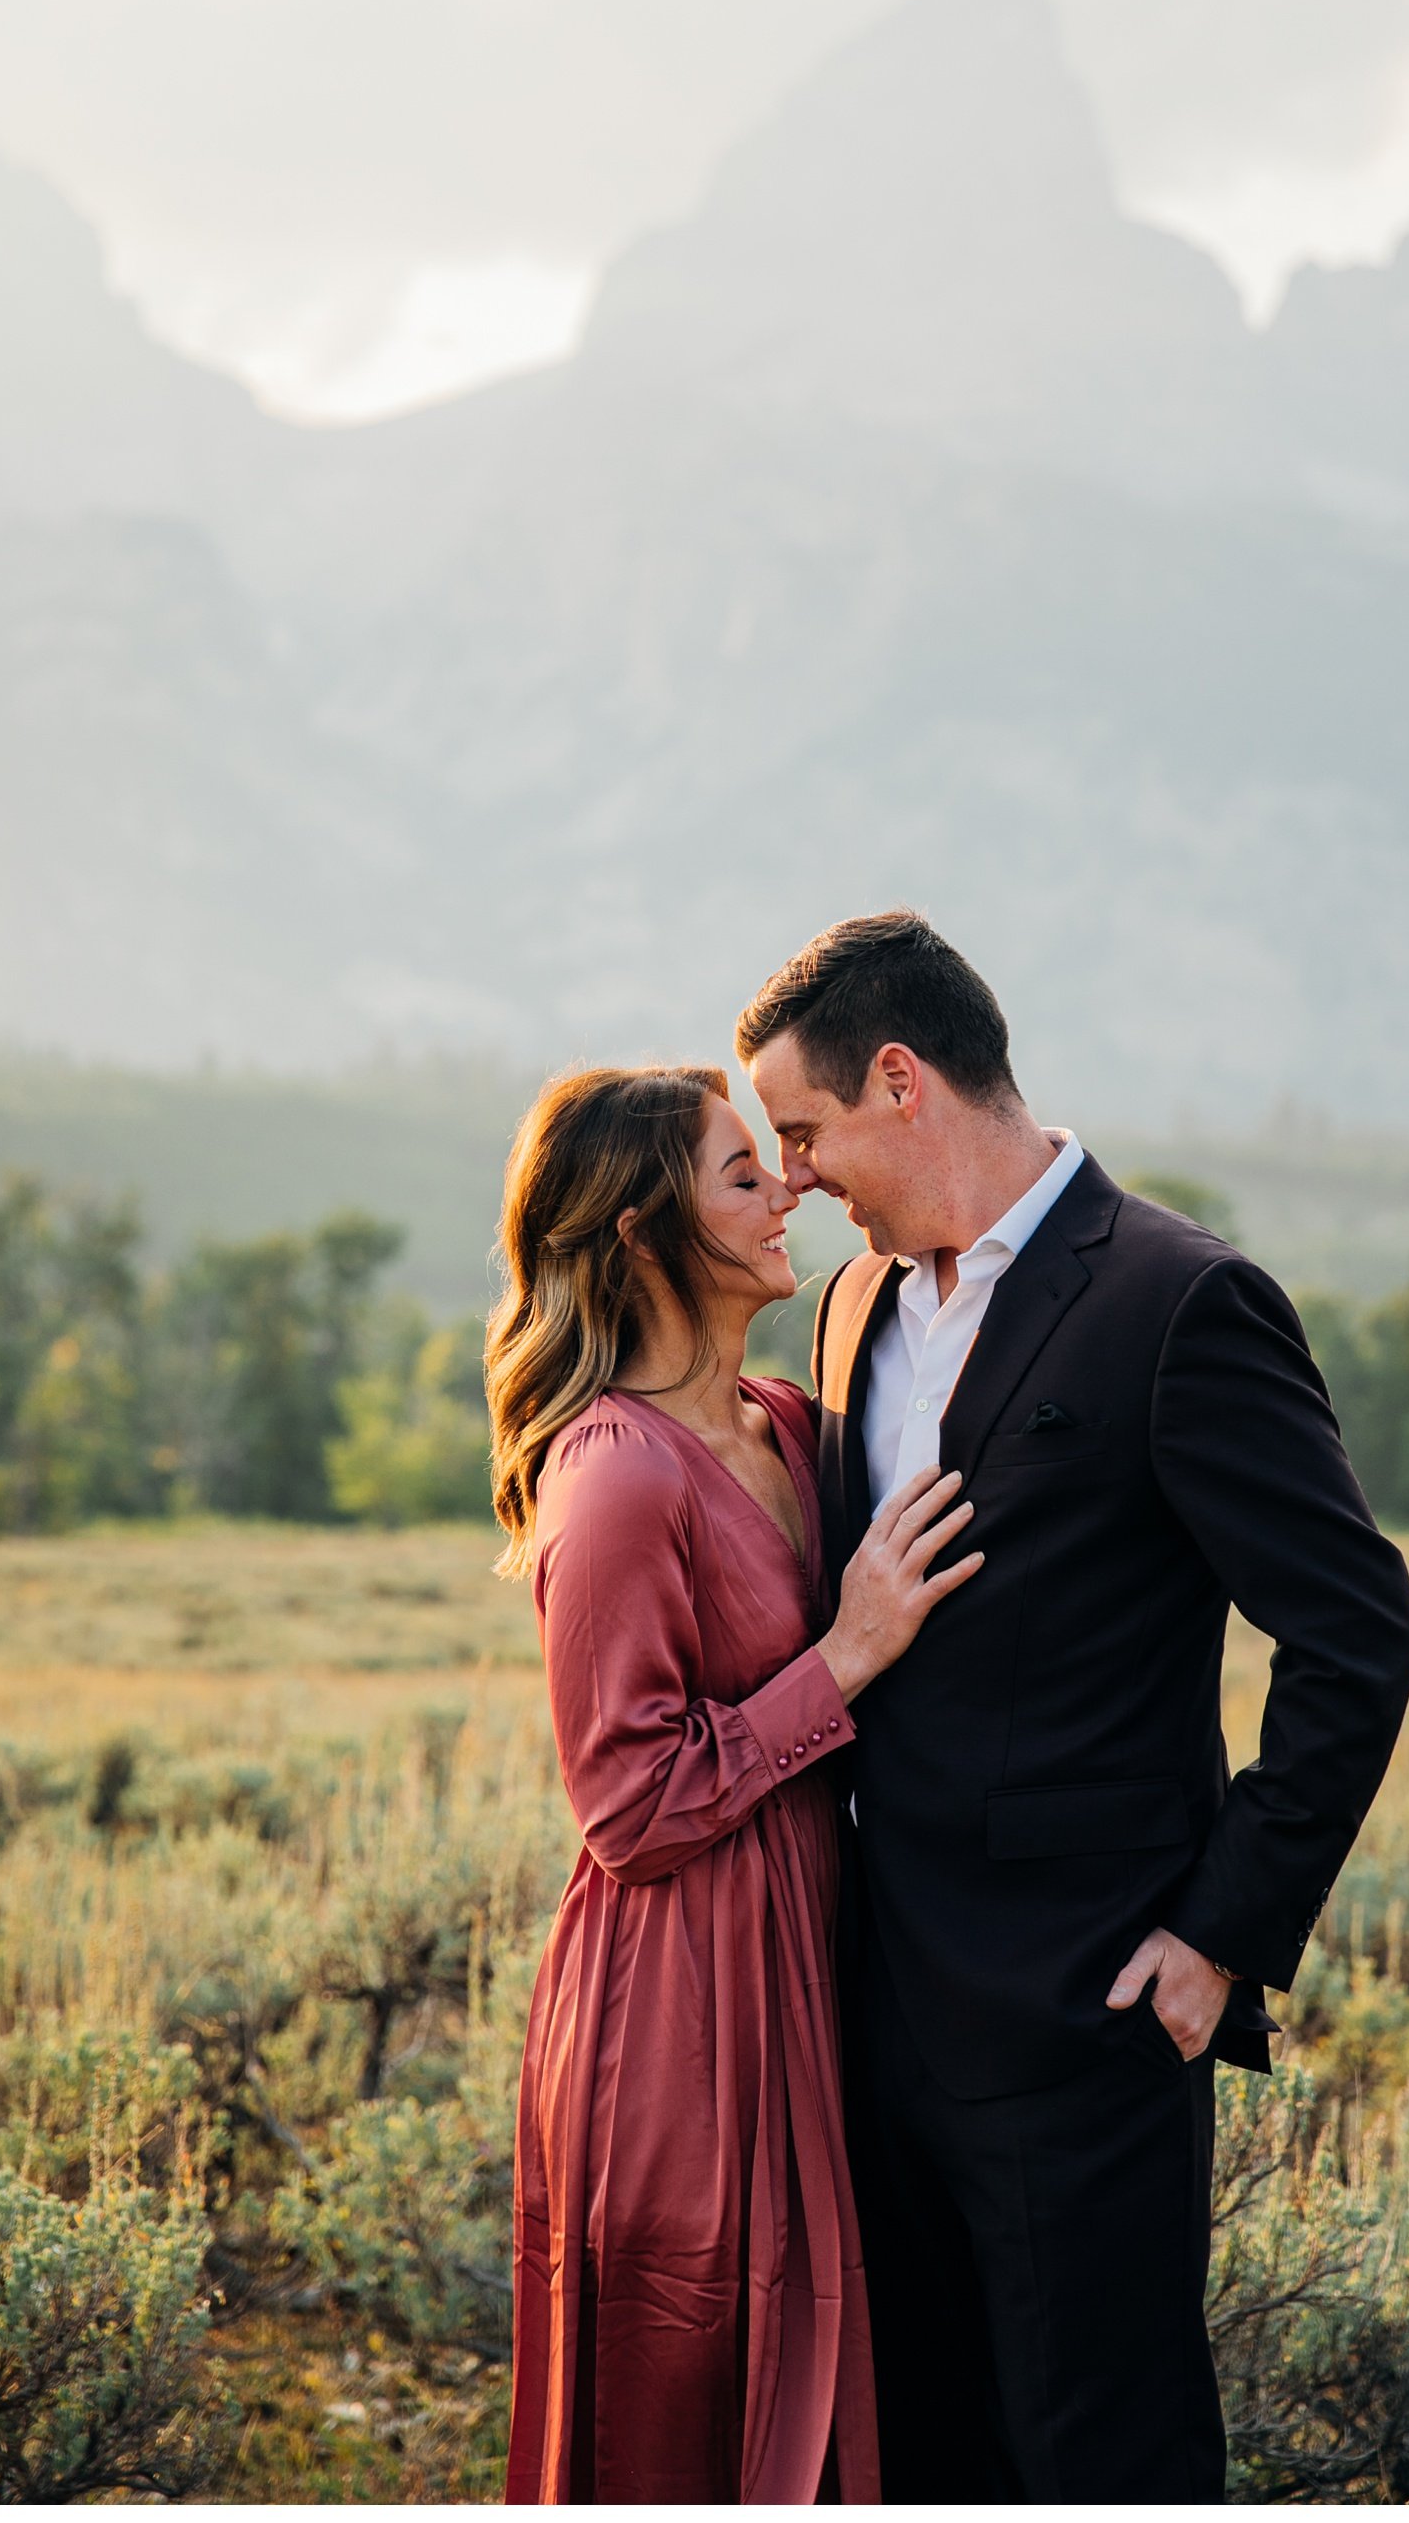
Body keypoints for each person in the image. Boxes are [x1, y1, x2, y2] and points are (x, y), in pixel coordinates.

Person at [737, 912, 1409, 2504]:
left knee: (1104, 2465)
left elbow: (1354, 1631)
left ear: (900, 1079)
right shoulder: (850, 1309)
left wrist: (1224, 1931)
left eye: (807, 1129)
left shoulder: (1180, 1302)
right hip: (872, 2021)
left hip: (1085, 2029)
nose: (798, 1174)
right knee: (922, 2461)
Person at [486, 1062, 979, 2504]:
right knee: (695, 2393)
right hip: (681, 1998)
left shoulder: (783, 1414)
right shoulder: (614, 1476)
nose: (790, 1191)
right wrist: (850, 1651)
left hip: (810, 1951)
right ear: (642, 1232)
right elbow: (626, 1808)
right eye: (742, 1173)